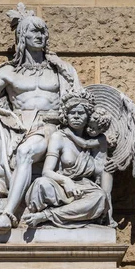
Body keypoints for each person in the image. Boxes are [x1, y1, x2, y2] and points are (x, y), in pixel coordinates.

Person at [0, 4, 81, 231]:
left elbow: (76, 101)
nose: (39, 36)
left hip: (48, 126)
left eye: (42, 31)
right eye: (33, 31)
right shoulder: (8, 72)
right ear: (22, 36)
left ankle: (8, 214)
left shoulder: (59, 70)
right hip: (16, 126)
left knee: (25, 152)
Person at [22, 90, 113, 228]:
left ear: (88, 116)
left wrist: (110, 163)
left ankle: (46, 216)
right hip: (58, 185)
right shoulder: (58, 137)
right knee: (41, 184)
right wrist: (66, 181)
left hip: (83, 189)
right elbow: (47, 172)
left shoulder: (95, 141)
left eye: (81, 113)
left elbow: (101, 172)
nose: (76, 116)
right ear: (66, 115)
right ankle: (62, 214)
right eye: (72, 113)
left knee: (99, 197)